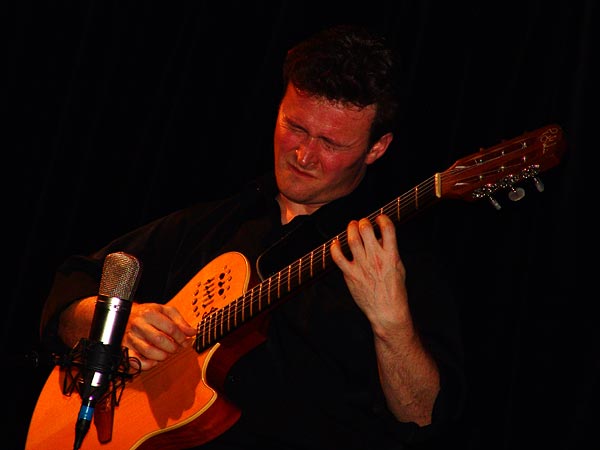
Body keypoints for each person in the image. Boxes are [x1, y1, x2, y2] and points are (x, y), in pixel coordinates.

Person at [38, 24, 466, 449]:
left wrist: (391, 321)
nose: (303, 155)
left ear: (377, 148)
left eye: (331, 144)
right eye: (295, 127)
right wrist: (116, 324)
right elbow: (73, 285)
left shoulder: (398, 258)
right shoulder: (217, 222)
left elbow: (423, 415)